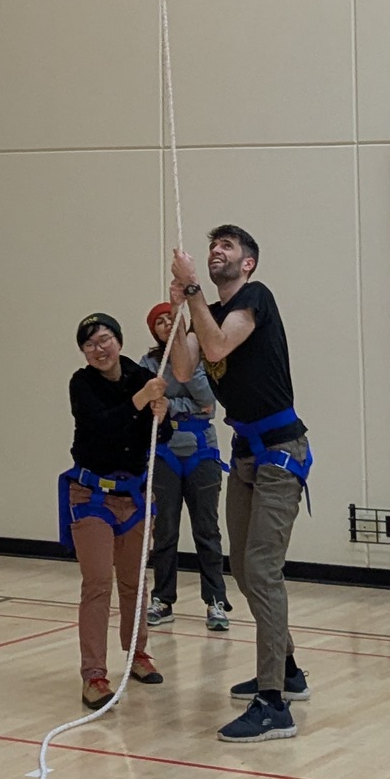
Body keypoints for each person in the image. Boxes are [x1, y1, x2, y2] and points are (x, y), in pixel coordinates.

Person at [154, 228, 312, 743]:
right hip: (245, 452)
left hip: (280, 453)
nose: (217, 249)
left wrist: (194, 289)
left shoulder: (254, 299)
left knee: (262, 570)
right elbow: (183, 365)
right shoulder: (210, 313)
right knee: (243, 568)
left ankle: (273, 706)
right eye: (213, 244)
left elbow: (220, 344)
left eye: (228, 245)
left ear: (248, 263)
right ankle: (286, 671)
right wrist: (180, 310)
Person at [64, 312, 164, 710]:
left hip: (135, 494)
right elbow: (103, 426)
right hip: (92, 495)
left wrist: (162, 413)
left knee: (134, 581)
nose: (99, 349)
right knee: (98, 582)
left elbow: (160, 435)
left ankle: (137, 653)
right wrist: (141, 402)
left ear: (119, 341)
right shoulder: (81, 384)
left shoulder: (141, 376)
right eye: (90, 344)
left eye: (104, 339)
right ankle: (93, 675)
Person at [142, 299, 231, 634]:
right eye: (160, 322)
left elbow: (207, 405)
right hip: (164, 453)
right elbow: (149, 403)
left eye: (172, 319)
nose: (166, 325)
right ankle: (163, 599)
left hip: (202, 453)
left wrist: (176, 398)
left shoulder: (203, 360)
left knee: (206, 530)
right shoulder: (149, 362)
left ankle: (216, 600)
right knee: (164, 531)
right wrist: (172, 406)